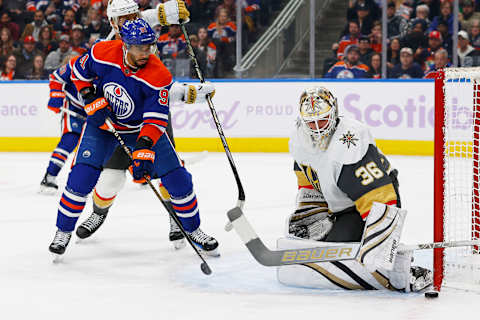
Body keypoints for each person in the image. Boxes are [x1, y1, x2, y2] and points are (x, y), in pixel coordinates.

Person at [48, 18, 219, 257]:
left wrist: (144, 150)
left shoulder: (158, 74)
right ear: (125, 45)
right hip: (103, 127)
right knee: (81, 178)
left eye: (149, 46)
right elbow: (78, 73)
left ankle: (193, 230)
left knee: (178, 180)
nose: (146, 52)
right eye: (140, 47)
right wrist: (89, 97)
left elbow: (156, 119)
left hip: (141, 129)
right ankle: (63, 231)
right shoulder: (102, 52)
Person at [276, 87, 433, 292]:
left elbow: (380, 195)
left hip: (375, 201)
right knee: (327, 249)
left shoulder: (350, 141)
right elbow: (308, 180)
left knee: (355, 255)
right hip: (342, 207)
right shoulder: (299, 138)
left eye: (322, 120)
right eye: (310, 122)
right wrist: (313, 211)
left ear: (334, 113)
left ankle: (408, 272)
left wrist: (379, 243)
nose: (316, 128)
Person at [74, 0, 193, 250]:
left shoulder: (141, 31)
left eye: (133, 15)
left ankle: (176, 218)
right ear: (113, 23)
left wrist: (164, 13)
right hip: (118, 120)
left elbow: (150, 21)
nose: (130, 21)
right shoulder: (107, 47)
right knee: (110, 179)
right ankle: (99, 213)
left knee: (167, 174)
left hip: (150, 115)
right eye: (124, 18)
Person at [40, 55, 86, 194]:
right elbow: (56, 78)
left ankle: (137, 172)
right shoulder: (73, 68)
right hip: (73, 109)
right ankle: (50, 176)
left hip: (93, 111)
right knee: (69, 140)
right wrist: (56, 97)